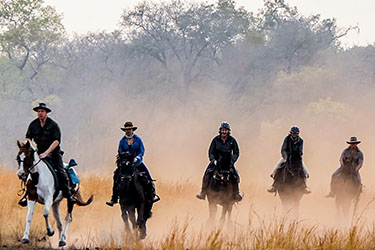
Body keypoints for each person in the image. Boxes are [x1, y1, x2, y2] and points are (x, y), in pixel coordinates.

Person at [18, 103, 76, 207]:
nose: (40, 113)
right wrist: (31, 147)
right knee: (29, 171)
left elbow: (57, 141)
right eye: (38, 111)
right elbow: (28, 138)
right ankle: (28, 195)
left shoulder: (53, 125)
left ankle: (69, 195)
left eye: (42, 111)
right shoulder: (33, 124)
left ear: (46, 113)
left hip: (53, 153)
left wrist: (46, 153)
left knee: (61, 171)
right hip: (38, 153)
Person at [106, 121, 159, 207]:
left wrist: (138, 157)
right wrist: (124, 157)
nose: (128, 131)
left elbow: (142, 150)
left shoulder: (138, 140)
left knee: (148, 177)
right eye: (126, 130)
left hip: (137, 163)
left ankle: (151, 195)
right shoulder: (122, 141)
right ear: (124, 131)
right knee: (116, 177)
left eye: (129, 129)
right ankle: (114, 198)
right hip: (125, 164)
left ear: (132, 130)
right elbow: (120, 151)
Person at [196, 122, 242, 202]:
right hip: (217, 162)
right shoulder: (215, 140)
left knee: (235, 175)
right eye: (223, 130)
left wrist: (232, 161)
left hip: (228, 162)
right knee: (207, 173)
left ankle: (236, 194)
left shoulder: (232, 140)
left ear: (228, 131)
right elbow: (211, 152)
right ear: (220, 130)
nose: (224, 132)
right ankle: (203, 192)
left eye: (226, 130)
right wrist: (213, 160)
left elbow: (236, 152)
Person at [267, 126, 311, 194]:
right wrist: (286, 157)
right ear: (291, 133)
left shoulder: (301, 140)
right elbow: (283, 149)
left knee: (305, 171)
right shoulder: (287, 139)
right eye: (293, 133)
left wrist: (299, 157)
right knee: (276, 168)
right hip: (286, 157)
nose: (295, 135)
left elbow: (301, 151)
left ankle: (305, 186)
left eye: (296, 133)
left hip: (296, 159)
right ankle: (274, 186)